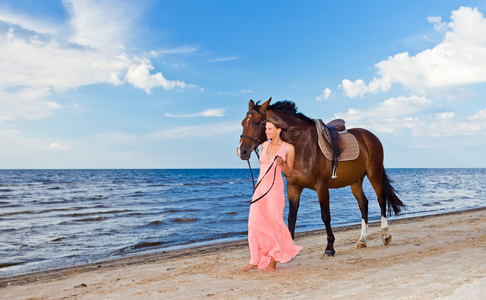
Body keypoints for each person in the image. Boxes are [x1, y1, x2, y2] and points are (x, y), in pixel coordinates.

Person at [240, 117, 302, 272]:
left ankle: (273, 261)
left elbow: (289, 172)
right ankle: (254, 260)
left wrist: (282, 164)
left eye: (269, 129)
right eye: (266, 129)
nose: (266, 132)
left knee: (274, 226)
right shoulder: (263, 146)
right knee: (254, 224)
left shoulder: (289, 148)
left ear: (279, 130)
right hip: (260, 190)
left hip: (275, 191)